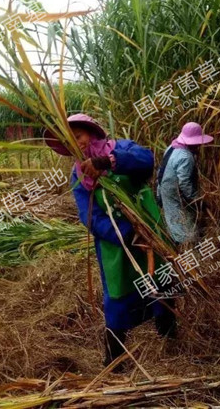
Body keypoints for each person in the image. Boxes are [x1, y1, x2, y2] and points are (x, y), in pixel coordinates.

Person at [45, 113, 177, 369]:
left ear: (91, 132)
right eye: (70, 140)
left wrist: (108, 162)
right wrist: (125, 234)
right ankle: (115, 358)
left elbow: (146, 161)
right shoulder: (79, 176)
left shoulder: (121, 148)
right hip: (117, 244)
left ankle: (169, 335)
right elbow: (89, 215)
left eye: (79, 136)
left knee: (161, 279)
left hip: (150, 232)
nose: (77, 143)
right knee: (118, 292)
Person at [156, 122, 214, 246]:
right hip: (173, 191)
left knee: (173, 217)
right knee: (183, 221)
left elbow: (161, 170)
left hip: (164, 187)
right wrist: (196, 200)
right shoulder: (185, 157)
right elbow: (185, 183)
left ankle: (180, 243)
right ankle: (186, 246)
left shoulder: (172, 147)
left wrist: (158, 191)